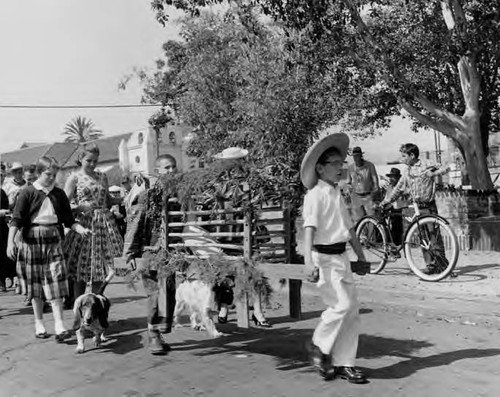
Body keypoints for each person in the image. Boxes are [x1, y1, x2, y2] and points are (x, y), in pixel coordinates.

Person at [301, 133, 368, 384]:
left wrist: (360, 256)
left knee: (351, 311)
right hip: (324, 259)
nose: (340, 168)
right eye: (335, 164)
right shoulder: (314, 195)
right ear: (320, 168)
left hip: (342, 258)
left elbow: (349, 229)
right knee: (339, 306)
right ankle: (318, 345)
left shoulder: (336, 193)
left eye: (342, 164)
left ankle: (344, 363)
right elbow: (310, 229)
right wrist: (308, 261)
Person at [6, 157, 91, 341]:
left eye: (54, 175)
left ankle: (59, 324)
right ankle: (39, 323)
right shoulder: (28, 192)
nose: (51, 178)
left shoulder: (59, 194)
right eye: (48, 174)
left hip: (54, 240)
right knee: (36, 283)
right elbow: (16, 220)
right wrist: (10, 243)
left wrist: (80, 229)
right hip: (32, 241)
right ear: (39, 172)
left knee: (56, 279)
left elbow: (69, 220)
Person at [123, 154, 178, 355]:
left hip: (171, 253)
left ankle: (160, 330)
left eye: (174, 167)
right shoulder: (146, 195)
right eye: (167, 168)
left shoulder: (178, 194)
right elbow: (134, 225)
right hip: (149, 251)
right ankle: (153, 334)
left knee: (169, 291)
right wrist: (127, 254)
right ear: (157, 171)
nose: (171, 171)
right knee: (154, 293)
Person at [63, 143, 123, 304]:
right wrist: (79, 207)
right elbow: (62, 204)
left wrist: (128, 198)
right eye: (89, 160)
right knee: (81, 269)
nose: (92, 164)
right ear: (81, 159)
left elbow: (108, 200)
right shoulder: (74, 177)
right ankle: (79, 306)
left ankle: (96, 305)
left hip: (105, 224)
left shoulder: (103, 176)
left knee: (101, 267)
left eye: (95, 160)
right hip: (85, 224)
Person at [380, 143, 450, 275]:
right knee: (423, 237)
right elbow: (398, 189)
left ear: (412, 155)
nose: (402, 158)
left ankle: (443, 266)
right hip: (417, 207)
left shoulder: (426, 163)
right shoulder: (407, 171)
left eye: (404, 156)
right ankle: (430, 265)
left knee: (434, 237)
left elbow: (446, 167)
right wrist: (387, 201)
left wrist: (433, 173)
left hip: (429, 206)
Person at [347, 147, 379, 223]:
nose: (355, 158)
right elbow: (349, 182)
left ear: (361, 155)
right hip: (356, 196)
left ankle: (372, 234)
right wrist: (349, 190)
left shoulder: (369, 166)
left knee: (371, 218)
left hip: (368, 195)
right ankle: (361, 234)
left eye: (357, 155)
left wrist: (375, 191)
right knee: (358, 220)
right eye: (354, 156)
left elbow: (375, 180)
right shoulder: (351, 167)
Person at [0, 163, 16, 292]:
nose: (1, 178)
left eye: (2, 176)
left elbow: (7, 208)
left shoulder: (2, 192)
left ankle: (3, 280)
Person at [382, 167, 404, 248]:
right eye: (390, 177)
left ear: (398, 178)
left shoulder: (401, 187)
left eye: (393, 177)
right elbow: (386, 199)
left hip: (400, 210)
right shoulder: (389, 187)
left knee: (398, 227)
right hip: (391, 211)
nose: (391, 179)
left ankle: (398, 244)